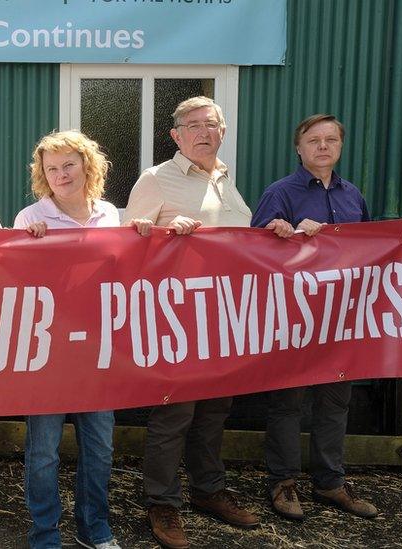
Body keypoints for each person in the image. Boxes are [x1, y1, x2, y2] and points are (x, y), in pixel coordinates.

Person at [250, 114, 402, 522]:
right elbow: (251, 250)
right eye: (314, 140)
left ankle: (330, 482)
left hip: (341, 320)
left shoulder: (352, 195)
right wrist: (287, 230)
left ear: (340, 146)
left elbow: (367, 251)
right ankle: (283, 482)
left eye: (331, 139)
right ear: (299, 147)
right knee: (287, 402)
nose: (322, 146)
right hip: (293, 319)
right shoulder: (280, 192)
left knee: (335, 402)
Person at [124, 96, 260, 549]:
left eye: (212, 124)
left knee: (215, 411)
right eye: (194, 125)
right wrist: (162, 231)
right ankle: (162, 503)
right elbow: (127, 243)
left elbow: (241, 243)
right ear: (176, 135)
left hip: (223, 319)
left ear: (223, 131)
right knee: (174, 413)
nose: (204, 132)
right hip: (177, 320)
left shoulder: (225, 179)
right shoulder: (156, 179)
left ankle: (209, 491)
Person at [15, 130, 131, 549]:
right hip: (48, 352)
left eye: (69, 165)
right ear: (42, 175)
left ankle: (94, 529)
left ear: (87, 166)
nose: (61, 174)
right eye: (52, 168)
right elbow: (16, 286)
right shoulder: (30, 218)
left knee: (99, 448)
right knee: (43, 453)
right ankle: (45, 534)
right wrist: (32, 249)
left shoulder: (110, 216)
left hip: (98, 352)